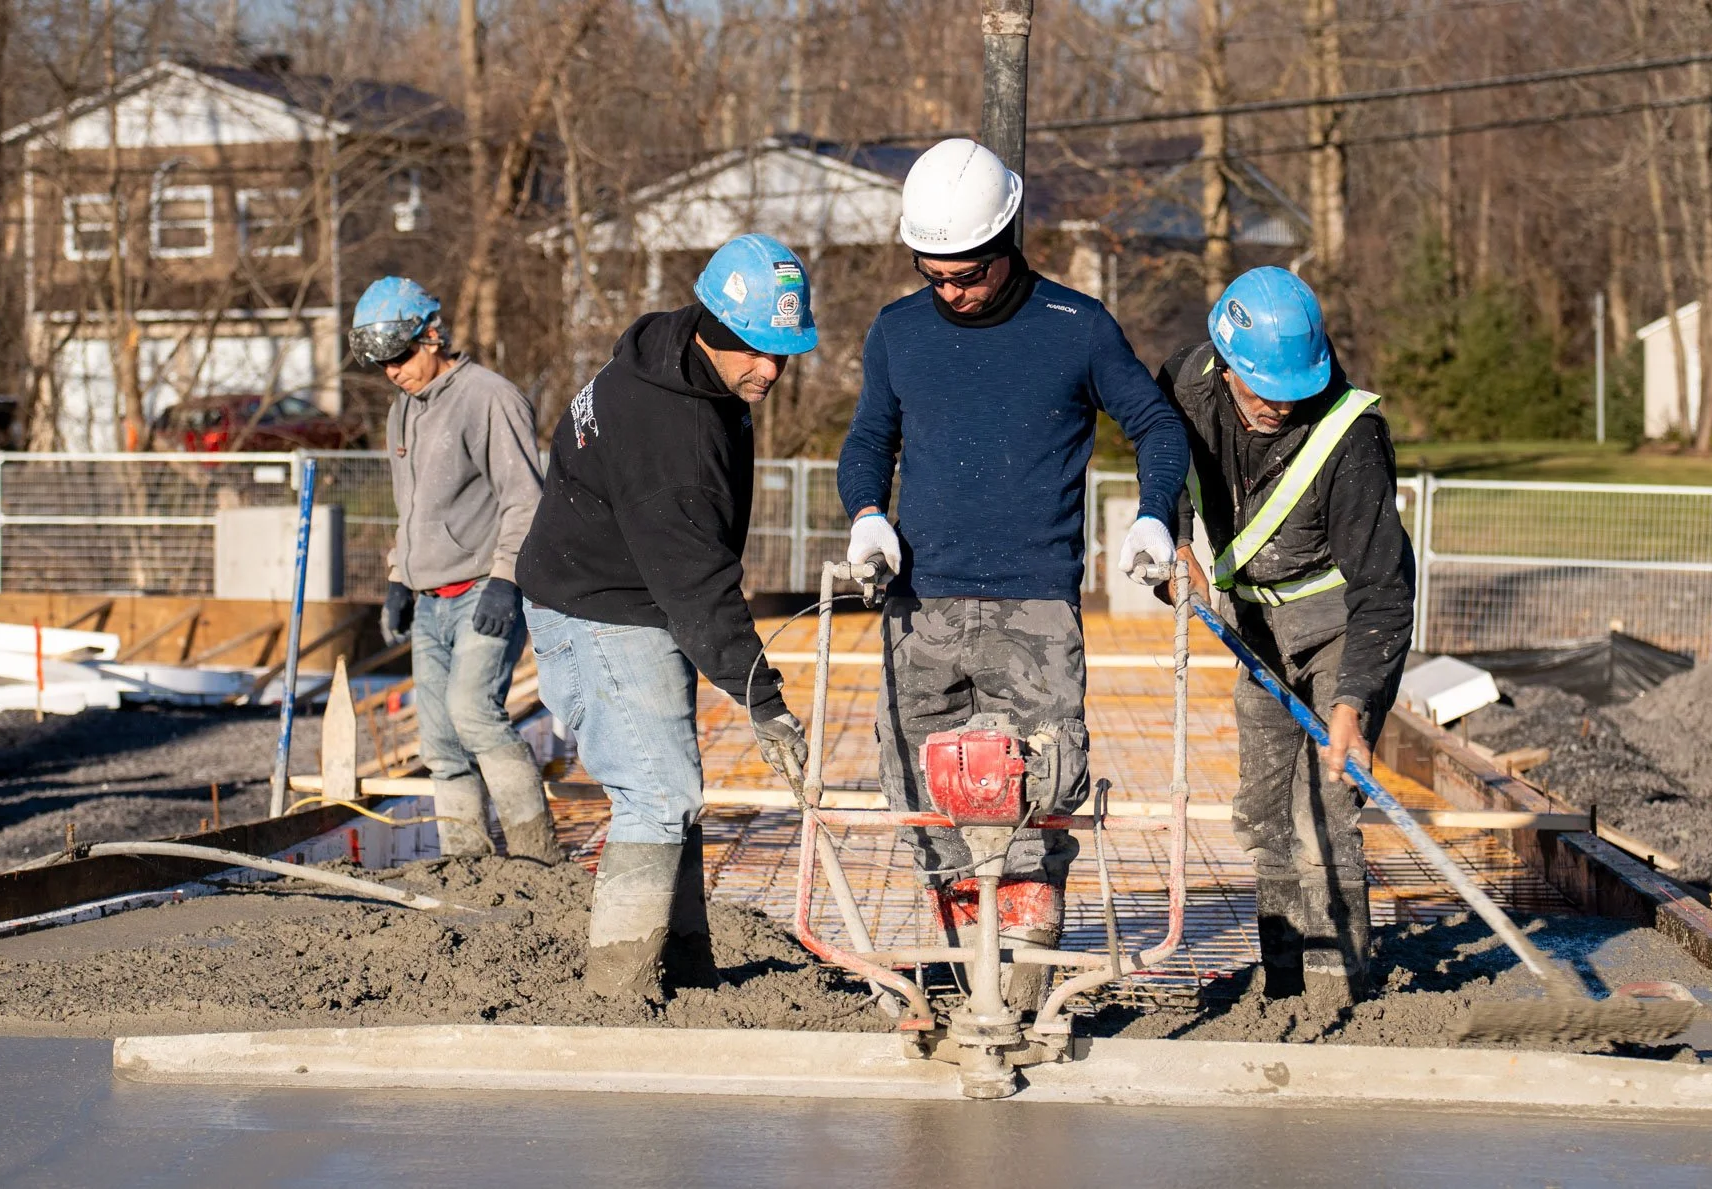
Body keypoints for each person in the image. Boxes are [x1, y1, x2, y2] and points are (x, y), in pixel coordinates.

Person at [835, 138, 1190, 1010]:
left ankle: (1027, 974)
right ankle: (959, 961)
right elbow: (869, 439)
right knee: (920, 779)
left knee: (1040, 780)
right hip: (921, 607)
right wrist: (867, 513)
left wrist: (1154, 511)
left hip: (1035, 604)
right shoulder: (899, 330)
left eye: (966, 275)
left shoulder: (1077, 327)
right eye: (933, 274)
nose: (950, 291)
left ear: (1007, 242)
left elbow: (1158, 425)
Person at [514, 234, 816, 1000]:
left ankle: (684, 968)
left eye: (784, 353)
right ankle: (616, 990)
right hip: (600, 606)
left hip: (629, 590)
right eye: (756, 351)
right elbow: (700, 584)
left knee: (670, 783)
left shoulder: (685, 364)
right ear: (712, 323)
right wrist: (765, 702)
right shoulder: (667, 429)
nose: (772, 370)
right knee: (656, 790)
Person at [1157, 266, 1416, 1005]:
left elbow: (1382, 589)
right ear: (1225, 361)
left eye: (1291, 388)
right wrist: (1177, 545)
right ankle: (1285, 984)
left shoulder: (1349, 435)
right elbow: (1161, 461)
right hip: (1256, 623)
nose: (1277, 403)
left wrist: (1353, 706)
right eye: (1260, 385)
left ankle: (1341, 992)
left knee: (1325, 809)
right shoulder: (1184, 381)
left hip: (1342, 621)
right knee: (1263, 811)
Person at [357, 277, 563, 865]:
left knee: (474, 714)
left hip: (483, 591)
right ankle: (467, 867)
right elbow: (410, 506)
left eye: (399, 357)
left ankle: (537, 858)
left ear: (431, 335)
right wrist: (398, 577)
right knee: (440, 743)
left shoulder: (489, 397)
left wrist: (507, 579)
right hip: (430, 601)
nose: (393, 372)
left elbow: (526, 498)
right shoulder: (403, 411)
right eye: (382, 363)